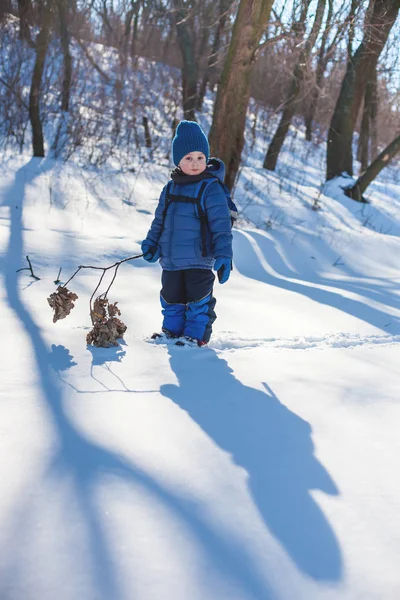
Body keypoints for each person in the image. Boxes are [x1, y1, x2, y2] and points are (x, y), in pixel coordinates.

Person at [141, 120, 233, 347]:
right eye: (189, 158)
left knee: (197, 300)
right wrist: (151, 243)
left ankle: (195, 336)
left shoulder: (211, 188)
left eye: (200, 157)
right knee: (171, 298)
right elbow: (159, 221)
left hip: (199, 259)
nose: (195, 163)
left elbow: (221, 226)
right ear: (178, 160)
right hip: (171, 259)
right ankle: (171, 332)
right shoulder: (170, 188)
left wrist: (224, 255)